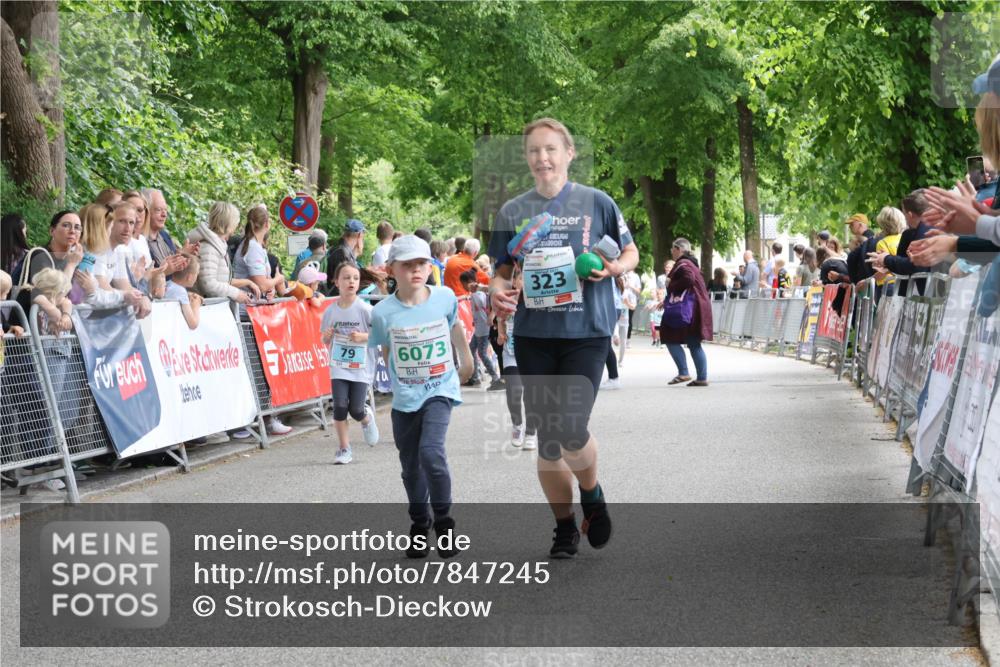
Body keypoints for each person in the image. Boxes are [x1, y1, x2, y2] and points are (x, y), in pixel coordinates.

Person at [487, 117, 638, 558]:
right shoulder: (512, 211)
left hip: (586, 332)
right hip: (535, 335)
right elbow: (501, 271)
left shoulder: (597, 202)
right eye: (534, 151)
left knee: (570, 427)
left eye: (551, 149)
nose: (543, 158)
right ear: (526, 158)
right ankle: (565, 527)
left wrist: (614, 267)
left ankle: (592, 493)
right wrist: (498, 293)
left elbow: (630, 251)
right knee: (549, 440)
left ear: (569, 153)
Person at [368, 235, 474, 559]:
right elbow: (386, 350)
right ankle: (419, 523)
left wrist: (467, 361)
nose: (416, 270)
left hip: (440, 389)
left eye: (422, 264)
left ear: (430, 267)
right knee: (411, 468)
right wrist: (400, 378)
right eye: (407, 265)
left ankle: (443, 522)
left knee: (431, 453)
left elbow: (455, 327)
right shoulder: (383, 312)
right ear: (391, 269)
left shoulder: (444, 297)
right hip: (405, 398)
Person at [321, 262, 380, 465]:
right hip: (339, 366)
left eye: (355, 278)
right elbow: (324, 339)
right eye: (346, 278)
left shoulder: (365, 309)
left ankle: (366, 418)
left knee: (355, 410)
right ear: (336, 282)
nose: (351, 282)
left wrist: (363, 336)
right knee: (339, 407)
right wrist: (327, 336)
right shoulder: (330, 311)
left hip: (361, 366)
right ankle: (344, 449)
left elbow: (380, 334)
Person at [495, 268, 537, 451]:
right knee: (514, 391)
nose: (525, 281)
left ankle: (531, 433)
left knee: (531, 395)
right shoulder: (508, 299)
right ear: (514, 282)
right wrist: (501, 332)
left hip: (532, 354)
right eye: (521, 278)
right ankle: (517, 425)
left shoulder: (537, 300)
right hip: (511, 353)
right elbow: (500, 319)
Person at [660, 238, 712, 386]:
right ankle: (701, 378)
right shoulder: (691, 263)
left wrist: (671, 284)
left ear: (678, 249)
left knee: (669, 336)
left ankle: (683, 372)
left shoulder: (683, 264)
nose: (671, 251)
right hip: (696, 307)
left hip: (689, 308)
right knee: (694, 342)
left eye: (673, 249)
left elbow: (688, 279)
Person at [187, 202, 260, 304]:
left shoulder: (217, 245)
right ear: (229, 224)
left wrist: (247, 283)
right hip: (204, 307)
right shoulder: (208, 248)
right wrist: (236, 294)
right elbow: (208, 285)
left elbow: (221, 280)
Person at [460, 269, 503, 390]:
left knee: (482, 353)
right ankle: (475, 376)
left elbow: (486, 309)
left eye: (463, 284)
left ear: (469, 282)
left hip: (484, 330)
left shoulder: (478, 295)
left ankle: (494, 377)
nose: (463, 286)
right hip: (479, 329)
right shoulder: (475, 295)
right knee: (471, 349)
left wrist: (488, 319)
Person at [234, 205, 287, 299]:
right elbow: (262, 286)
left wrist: (271, 289)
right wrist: (279, 279)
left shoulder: (254, 245)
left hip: (252, 302)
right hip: (247, 304)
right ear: (266, 224)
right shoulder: (253, 248)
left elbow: (263, 281)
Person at [154, 253, 202, 330]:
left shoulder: (166, 284)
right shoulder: (181, 292)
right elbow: (193, 324)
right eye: (197, 274)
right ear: (189, 277)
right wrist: (196, 305)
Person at [325, 219, 366, 295]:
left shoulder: (338, 249)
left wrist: (355, 255)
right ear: (360, 235)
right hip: (338, 297)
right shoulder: (343, 253)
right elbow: (348, 281)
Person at [30, 268, 73, 335]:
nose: (64, 298)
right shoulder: (32, 293)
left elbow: (67, 302)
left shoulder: (51, 299)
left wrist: (66, 316)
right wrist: (54, 312)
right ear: (55, 293)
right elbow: (56, 314)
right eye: (63, 295)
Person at [873, 206, 905, 290]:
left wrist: (869, 280)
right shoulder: (906, 239)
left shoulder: (883, 243)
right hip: (905, 284)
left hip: (887, 285)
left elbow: (881, 272)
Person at [622, 269, 641, 342]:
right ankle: (619, 337)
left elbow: (638, 291)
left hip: (631, 300)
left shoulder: (636, 276)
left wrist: (631, 286)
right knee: (619, 319)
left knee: (629, 319)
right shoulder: (622, 274)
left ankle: (628, 339)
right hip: (622, 299)